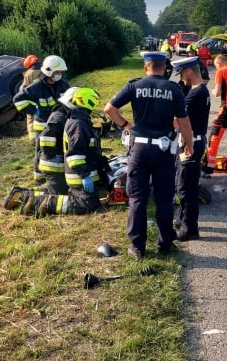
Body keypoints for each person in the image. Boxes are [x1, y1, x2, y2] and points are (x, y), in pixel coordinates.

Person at [104, 51, 194, 258]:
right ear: (164, 68)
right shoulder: (173, 89)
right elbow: (184, 122)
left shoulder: (134, 86)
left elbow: (109, 109)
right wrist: (188, 145)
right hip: (162, 151)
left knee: (137, 198)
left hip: (139, 149)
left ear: (146, 67)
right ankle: (164, 245)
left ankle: (137, 247)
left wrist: (127, 125)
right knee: (163, 198)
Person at [14, 88, 105, 217]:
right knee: (68, 198)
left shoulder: (74, 118)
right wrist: (52, 156)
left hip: (69, 166)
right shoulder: (67, 119)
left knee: (61, 194)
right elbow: (53, 141)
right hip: (58, 165)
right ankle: (35, 201)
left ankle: (23, 196)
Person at [13, 55, 70, 183]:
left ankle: (56, 172)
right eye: (57, 72)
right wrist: (34, 110)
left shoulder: (63, 84)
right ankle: (38, 176)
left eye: (61, 72)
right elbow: (18, 99)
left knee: (57, 148)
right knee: (40, 150)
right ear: (49, 71)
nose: (59, 74)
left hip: (58, 124)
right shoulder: (37, 87)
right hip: (43, 125)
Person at [171, 56, 211, 241]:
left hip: (190, 144)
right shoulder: (199, 90)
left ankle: (190, 229)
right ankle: (181, 217)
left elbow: (178, 119)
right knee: (183, 181)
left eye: (181, 73)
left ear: (189, 71)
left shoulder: (196, 94)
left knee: (186, 187)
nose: (181, 78)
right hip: (192, 141)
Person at [36, 86, 80, 194]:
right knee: (58, 196)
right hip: (52, 165)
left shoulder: (65, 113)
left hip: (58, 163)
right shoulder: (60, 116)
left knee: (65, 192)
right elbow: (46, 136)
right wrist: (51, 156)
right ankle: (28, 197)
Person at [21, 54, 43, 136]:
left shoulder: (28, 74)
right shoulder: (44, 70)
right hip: (46, 99)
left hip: (33, 101)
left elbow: (24, 88)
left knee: (31, 119)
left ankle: (33, 139)